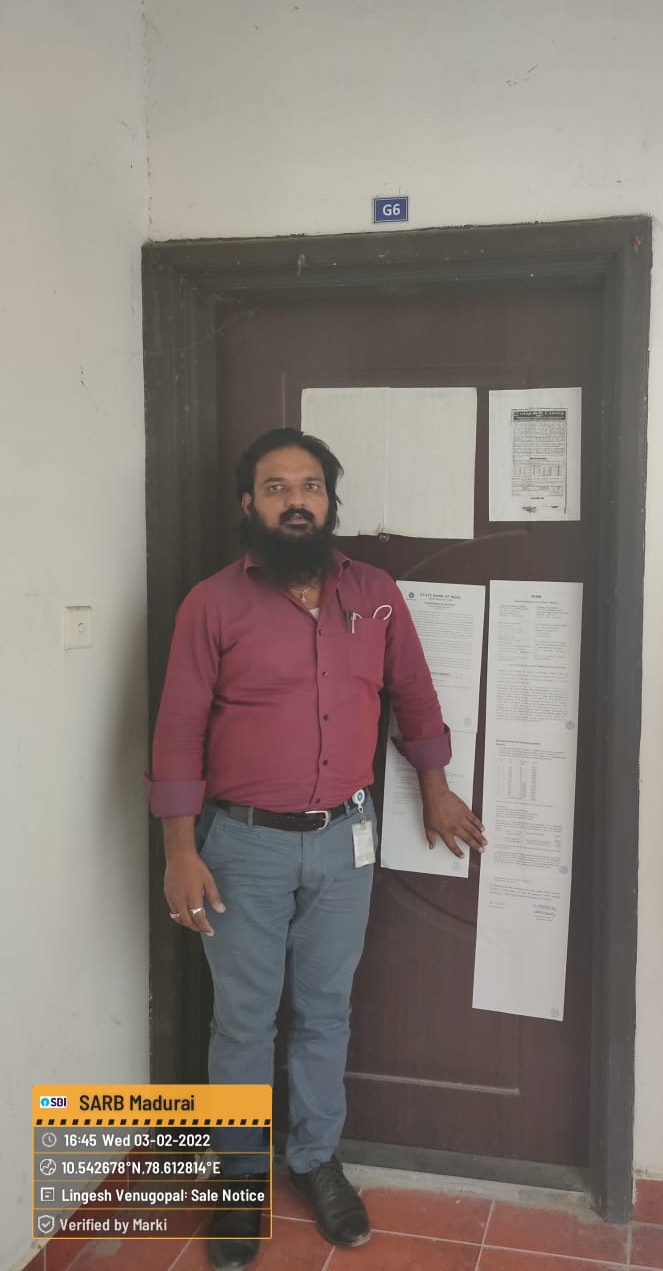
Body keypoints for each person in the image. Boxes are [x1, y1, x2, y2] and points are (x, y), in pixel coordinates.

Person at [147, 428, 486, 1269]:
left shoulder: (374, 594)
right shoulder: (211, 604)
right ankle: (239, 1181)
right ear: (248, 503)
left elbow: (414, 694)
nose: (294, 500)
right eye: (275, 487)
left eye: (309, 486)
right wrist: (180, 851)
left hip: (344, 843)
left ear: (330, 501)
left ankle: (314, 1160)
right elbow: (178, 730)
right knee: (242, 1020)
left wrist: (436, 788)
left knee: (327, 1011)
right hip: (241, 848)